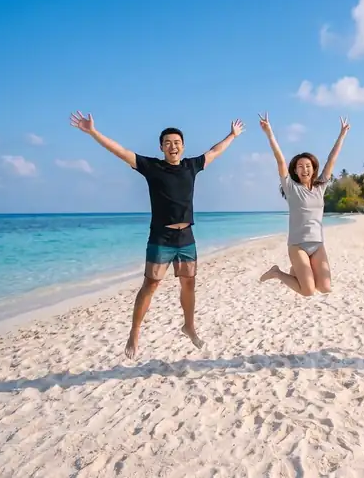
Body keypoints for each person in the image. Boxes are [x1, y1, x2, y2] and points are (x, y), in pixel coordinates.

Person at [69, 111, 244, 359]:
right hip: (161, 237)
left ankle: (189, 326)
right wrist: (93, 132)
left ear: (183, 147)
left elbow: (215, 151)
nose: (173, 146)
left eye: (177, 142)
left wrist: (232, 135)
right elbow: (120, 151)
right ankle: (134, 332)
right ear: (161, 147)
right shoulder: (151, 167)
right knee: (151, 284)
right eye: (168, 143)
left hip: (186, 237)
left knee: (189, 284)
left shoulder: (191, 166)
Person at [259, 112, 349, 296]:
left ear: (313, 168)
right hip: (298, 245)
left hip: (317, 244)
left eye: (307, 166)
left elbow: (332, 159)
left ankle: (297, 272)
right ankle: (277, 272)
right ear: (295, 170)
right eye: (300, 166)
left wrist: (342, 135)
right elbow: (280, 159)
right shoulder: (291, 188)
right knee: (307, 291)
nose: (304, 169)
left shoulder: (320, 186)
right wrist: (269, 132)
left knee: (325, 288)